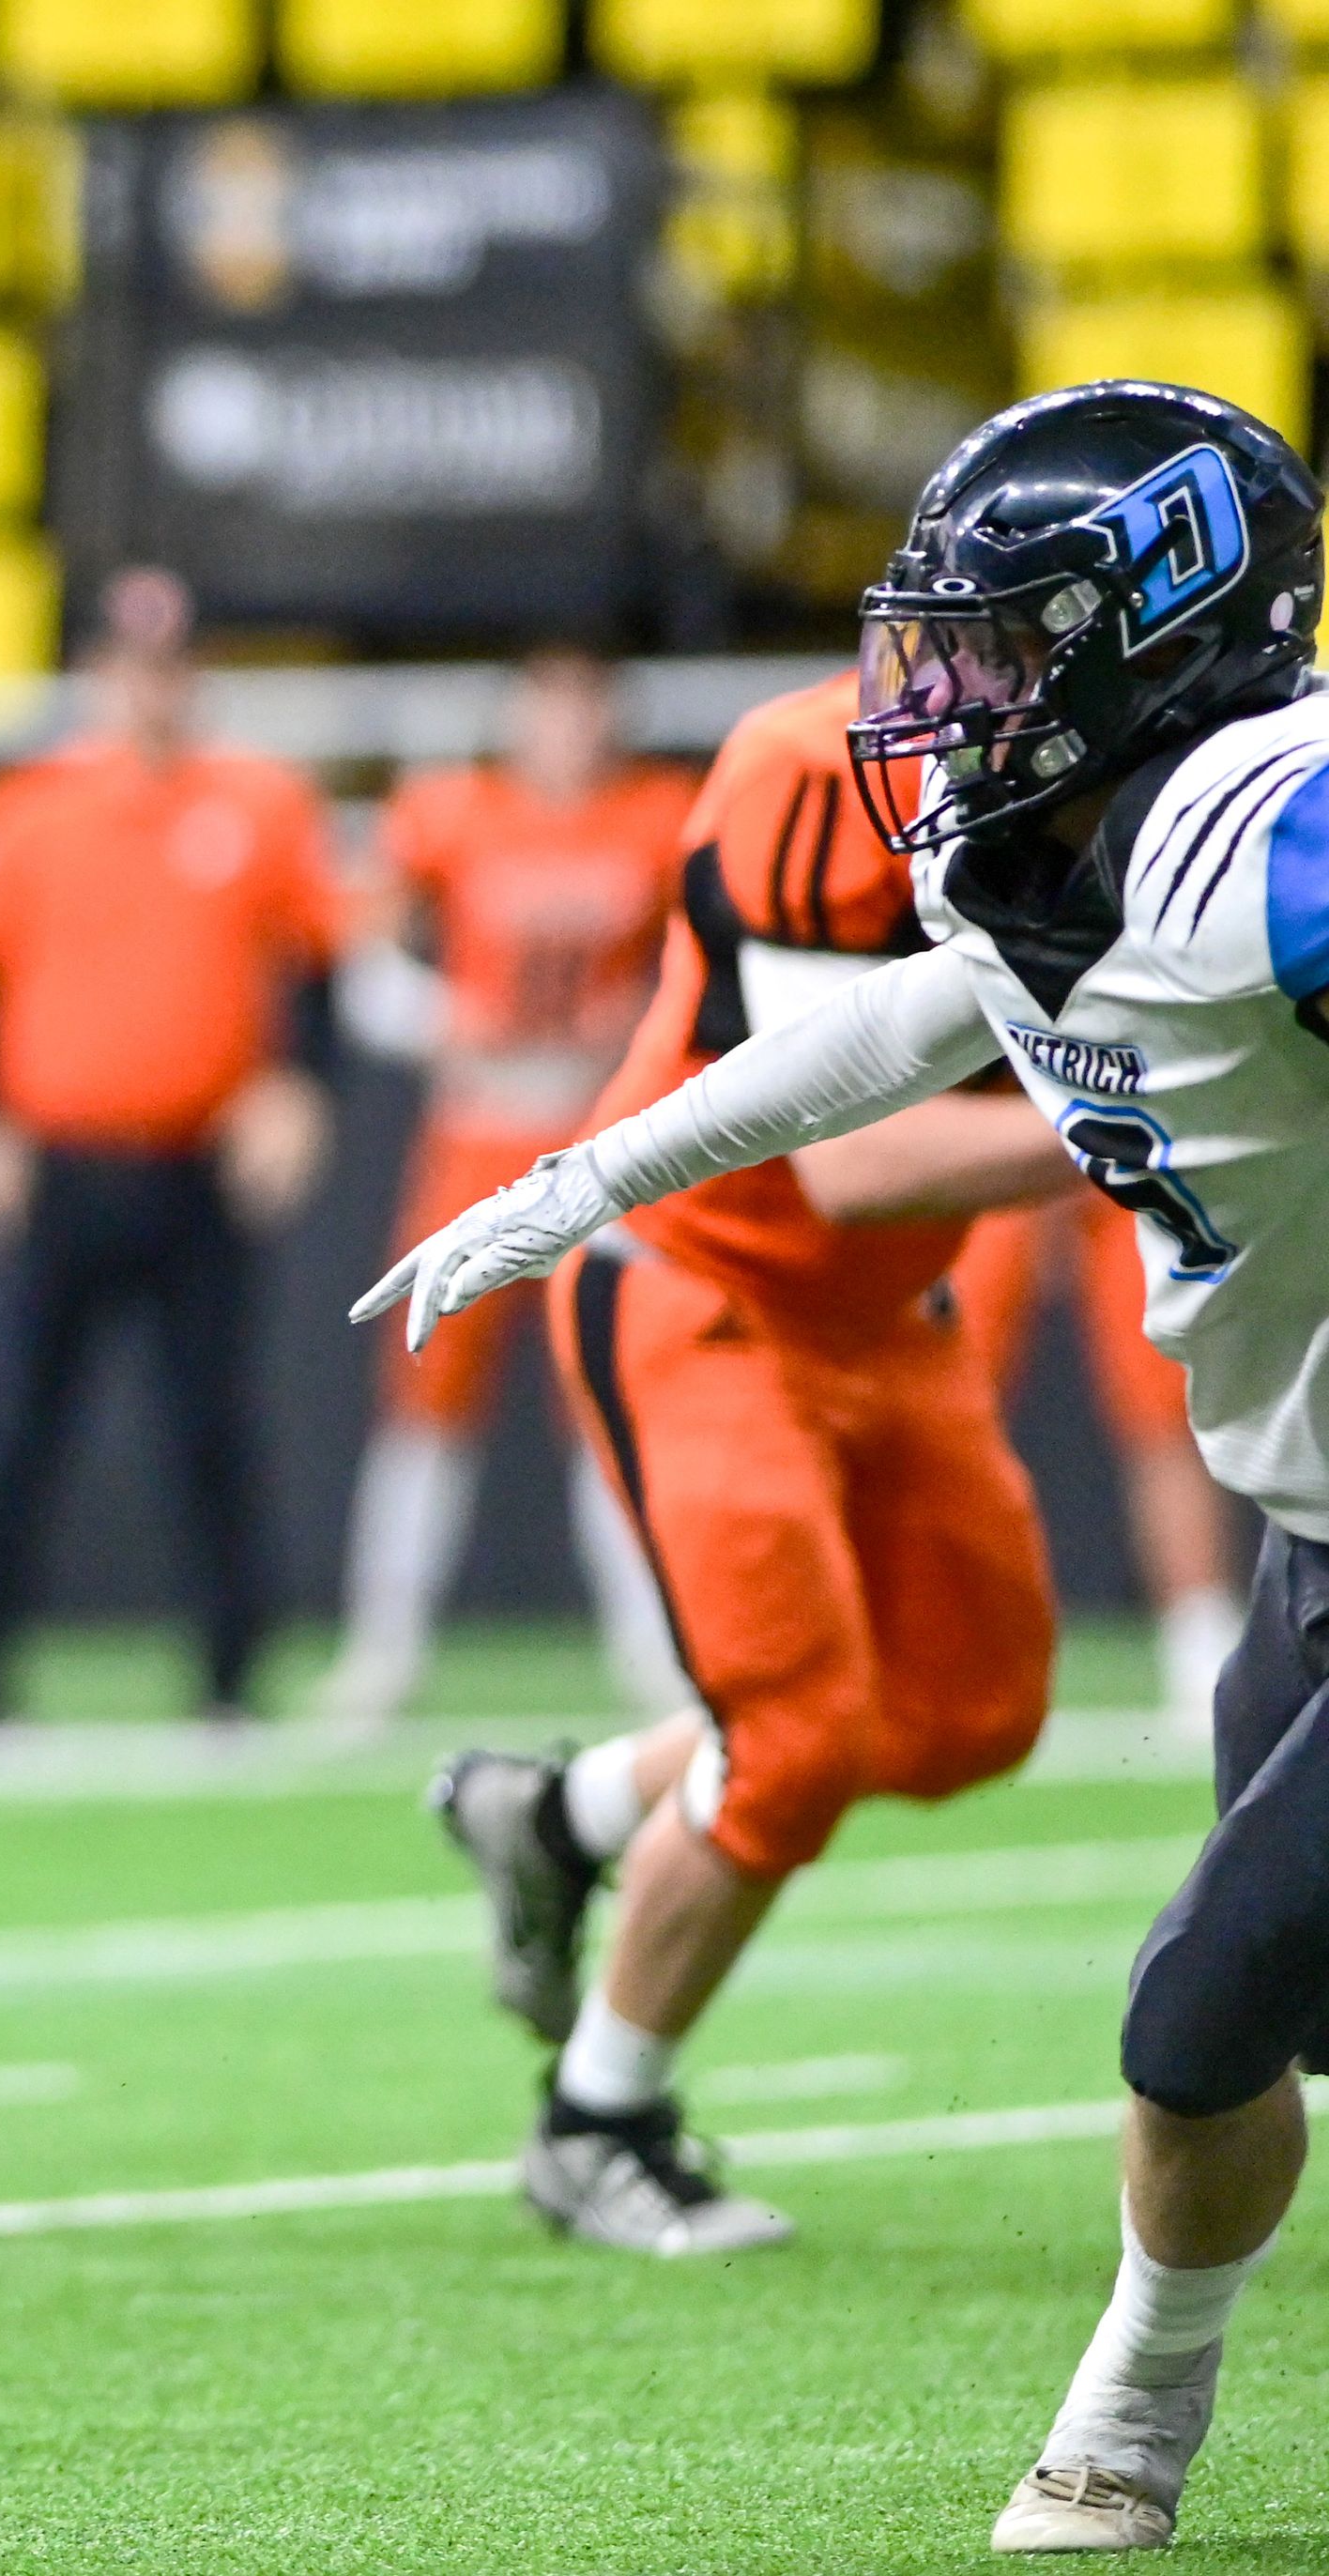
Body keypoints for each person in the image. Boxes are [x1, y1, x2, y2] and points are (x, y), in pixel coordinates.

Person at [361, 379, 1329, 2553]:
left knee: (1186, 2014)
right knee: (1240, 2009)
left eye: (996, 646)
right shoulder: (1032, 840)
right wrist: (576, 1174)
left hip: (1026, 1389)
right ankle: (585, 1907)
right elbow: (869, 1045)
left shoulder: (1261, 823)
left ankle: (1117, 2439)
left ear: (1150, 629)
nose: (939, 693)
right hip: (1290, 1519)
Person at [417, 670, 1076, 2254]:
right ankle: (599, 2118)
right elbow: (847, 1156)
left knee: (966, 1711)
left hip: (883, 1312)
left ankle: (563, 1813)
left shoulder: (1189, 796)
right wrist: (1159, 1113)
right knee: (792, 1729)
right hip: (698, 1279)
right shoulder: (810, 769)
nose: (950, 669)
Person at [0, 568, 338, 1724]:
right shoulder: (21, 810)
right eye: (129, 664)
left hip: (196, 1158)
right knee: (18, 1421)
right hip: (60, 1157)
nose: (150, 688)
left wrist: (297, 1090)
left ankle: (232, 1667)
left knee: (211, 1421)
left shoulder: (259, 803)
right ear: (95, 674)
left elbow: (312, 961)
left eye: (170, 665)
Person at [317, 650, 697, 1726]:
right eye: (551, 705)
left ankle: (651, 1648)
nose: (568, 728)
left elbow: (712, 957)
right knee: (427, 1393)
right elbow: (366, 968)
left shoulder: (658, 814)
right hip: (478, 1125)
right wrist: (447, 1018)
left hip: (606, 1136)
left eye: (586, 705)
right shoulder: (452, 813)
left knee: (612, 1395)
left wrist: (645, 1018)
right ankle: (383, 1646)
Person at [955, 1193, 1244, 1725]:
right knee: (944, 1398)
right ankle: (925, 1633)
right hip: (983, 1135)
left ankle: (1199, 1638)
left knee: (1163, 1402)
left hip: (1131, 1140)